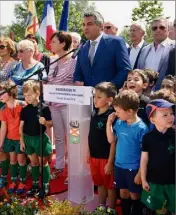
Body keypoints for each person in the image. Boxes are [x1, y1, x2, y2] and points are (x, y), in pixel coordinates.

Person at [106, 90, 148, 215]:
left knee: (134, 195)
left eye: (118, 111)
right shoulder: (119, 123)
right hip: (119, 166)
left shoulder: (141, 128)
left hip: (134, 169)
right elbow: (111, 140)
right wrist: (108, 124)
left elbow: (144, 153)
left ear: (129, 111)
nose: (116, 114)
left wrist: (140, 173)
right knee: (123, 193)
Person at [74, 11, 131, 89]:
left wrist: (110, 87)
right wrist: (77, 81)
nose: (85, 28)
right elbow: (78, 73)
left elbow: (125, 69)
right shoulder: (82, 47)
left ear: (101, 26)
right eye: (83, 25)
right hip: (86, 97)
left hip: (110, 97)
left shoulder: (116, 42)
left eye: (89, 24)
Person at [48, 31, 77, 173]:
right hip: (54, 105)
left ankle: (73, 167)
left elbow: (76, 83)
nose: (50, 44)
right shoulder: (52, 61)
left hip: (68, 105)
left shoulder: (74, 62)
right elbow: (50, 81)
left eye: (53, 42)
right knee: (59, 137)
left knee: (73, 137)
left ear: (63, 44)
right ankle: (59, 165)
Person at [141, 99, 175, 215]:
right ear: (152, 119)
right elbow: (144, 159)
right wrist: (143, 179)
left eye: (171, 113)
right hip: (155, 181)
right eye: (165, 115)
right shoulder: (148, 137)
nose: (170, 117)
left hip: (173, 182)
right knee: (160, 210)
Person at [87, 82, 117, 215]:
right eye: (94, 96)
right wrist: (88, 151)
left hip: (106, 157)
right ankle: (101, 206)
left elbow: (113, 142)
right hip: (94, 156)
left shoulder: (112, 116)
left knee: (110, 185)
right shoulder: (94, 112)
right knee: (99, 183)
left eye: (99, 97)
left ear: (110, 100)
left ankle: (111, 209)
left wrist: (110, 162)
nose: (95, 100)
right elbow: (91, 134)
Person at [20, 80, 52, 196]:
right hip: (28, 139)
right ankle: (34, 184)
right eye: (24, 95)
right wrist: (22, 141)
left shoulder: (44, 108)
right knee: (33, 162)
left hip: (40, 138)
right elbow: (21, 127)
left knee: (42, 162)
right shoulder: (24, 109)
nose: (26, 97)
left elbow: (50, 124)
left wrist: (45, 123)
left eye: (29, 94)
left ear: (37, 93)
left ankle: (45, 184)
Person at [0, 80, 27, 194]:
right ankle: (13, 181)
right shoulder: (2, 109)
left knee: (21, 160)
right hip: (10, 139)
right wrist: (0, 143)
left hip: (21, 139)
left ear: (10, 92)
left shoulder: (22, 105)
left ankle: (22, 181)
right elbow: (3, 127)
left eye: (2, 92)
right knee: (12, 160)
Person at [137, 17, 175, 90]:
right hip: (145, 94)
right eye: (155, 28)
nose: (158, 30)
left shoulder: (174, 47)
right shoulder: (144, 50)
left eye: (162, 27)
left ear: (168, 30)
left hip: (165, 94)